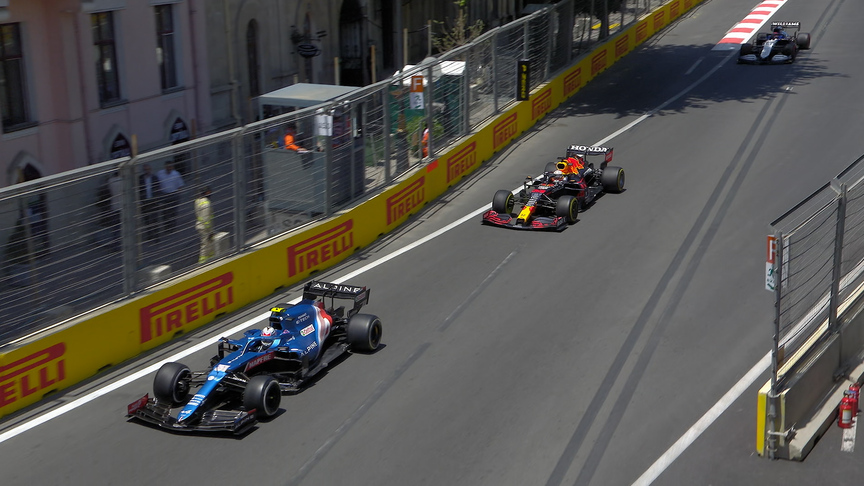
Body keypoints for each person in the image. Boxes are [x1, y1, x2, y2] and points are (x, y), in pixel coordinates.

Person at [156, 161, 185, 233]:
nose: (168, 168)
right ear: (165, 167)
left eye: (170, 166)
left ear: (172, 167)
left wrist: (178, 195)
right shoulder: (160, 174)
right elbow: (157, 183)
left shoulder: (176, 174)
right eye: (167, 166)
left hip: (174, 194)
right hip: (164, 194)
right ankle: (166, 227)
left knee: (173, 212)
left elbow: (180, 185)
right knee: (165, 212)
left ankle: (172, 227)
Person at [138, 163, 160, 242]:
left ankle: (156, 236)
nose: (147, 171)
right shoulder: (140, 178)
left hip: (153, 201)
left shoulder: (154, 178)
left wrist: (157, 199)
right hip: (145, 202)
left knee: (155, 219)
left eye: (148, 169)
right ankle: (150, 235)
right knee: (147, 220)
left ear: (150, 170)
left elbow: (158, 189)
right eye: (145, 170)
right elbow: (139, 190)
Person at [194, 186, 214, 263]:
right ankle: (203, 261)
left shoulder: (198, 201)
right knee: (205, 243)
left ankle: (211, 256)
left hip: (199, 225)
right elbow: (206, 220)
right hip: (205, 227)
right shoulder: (206, 204)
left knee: (208, 242)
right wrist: (210, 231)